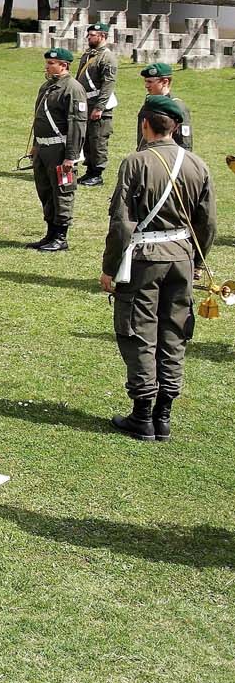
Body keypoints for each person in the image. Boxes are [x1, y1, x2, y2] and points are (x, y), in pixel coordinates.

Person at [100, 96, 213, 442]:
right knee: (174, 333)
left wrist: (109, 267)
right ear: (175, 127)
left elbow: (121, 222)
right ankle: (163, 415)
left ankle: (142, 414)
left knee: (139, 332)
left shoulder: (135, 163)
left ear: (145, 124)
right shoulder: (197, 164)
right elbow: (207, 223)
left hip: (145, 259)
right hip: (181, 257)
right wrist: (197, 262)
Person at [29, 48, 88, 252]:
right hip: (43, 147)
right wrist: (35, 145)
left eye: (51, 63)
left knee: (62, 192)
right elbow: (39, 119)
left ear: (64, 65)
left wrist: (71, 156)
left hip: (60, 149)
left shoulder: (73, 89)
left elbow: (77, 124)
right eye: (47, 63)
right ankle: (50, 232)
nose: (46, 67)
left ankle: (61, 236)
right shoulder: (48, 86)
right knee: (45, 191)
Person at [76, 24, 119, 186]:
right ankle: (89, 171)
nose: (88, 38)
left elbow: (108, 85)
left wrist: (99, 107)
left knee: (98, 140)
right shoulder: (88, 55)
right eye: (88, 35)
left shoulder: (107, 58)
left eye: (92, 35)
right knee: (87, 139)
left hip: (98, 106)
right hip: (86, 103)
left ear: (102, 36)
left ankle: (97, 174)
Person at [136, 62, 192, 150]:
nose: (146, 86)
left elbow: (184, 143)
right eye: (146, 82)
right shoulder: (149, 104)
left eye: (150, 82)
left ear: (165, 82)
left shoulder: (177, 107)